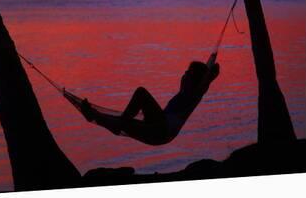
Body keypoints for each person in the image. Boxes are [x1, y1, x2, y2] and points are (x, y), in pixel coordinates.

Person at [81, 60, 220, 145]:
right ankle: (97, 117)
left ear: (196, 79)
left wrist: (209, 75)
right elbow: (201, 78)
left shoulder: (194, 94)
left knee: (141, 93)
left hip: (162, 130)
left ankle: (115, 122)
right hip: (158, 127)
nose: (184, 74)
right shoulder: (184, 93)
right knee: (126, 121)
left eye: (189, 72)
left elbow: (211, 74)